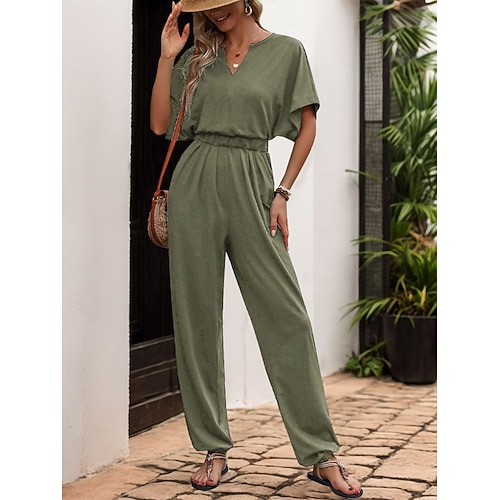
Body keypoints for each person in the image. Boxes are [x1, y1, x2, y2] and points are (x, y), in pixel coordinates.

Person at [150, 0, 363, 497]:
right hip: (195, 184)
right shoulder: (197, 57)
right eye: (206, 6)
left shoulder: (287, 51)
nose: (216, 12)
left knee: (286, 317)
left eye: (222, 2)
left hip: (254, 183)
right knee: (197, 319)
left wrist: (283, 191)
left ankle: (321, 453)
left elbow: (307, 126)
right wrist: (166, 56)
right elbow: (161, 125)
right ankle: (213, 449)